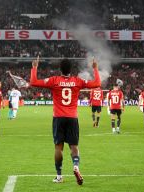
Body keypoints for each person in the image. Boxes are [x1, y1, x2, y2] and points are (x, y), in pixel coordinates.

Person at [30, 57, 101, 185]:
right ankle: (76, 167)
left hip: (58, 118)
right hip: (72, 118)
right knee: (74, 146)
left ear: (60, 69)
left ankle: (59, 176)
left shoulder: (54, 80)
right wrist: (95, 67)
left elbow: (33, 82)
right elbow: (97, 84)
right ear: (71, 70)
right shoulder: (77, 81)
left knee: (58, 147)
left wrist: (34, 67)